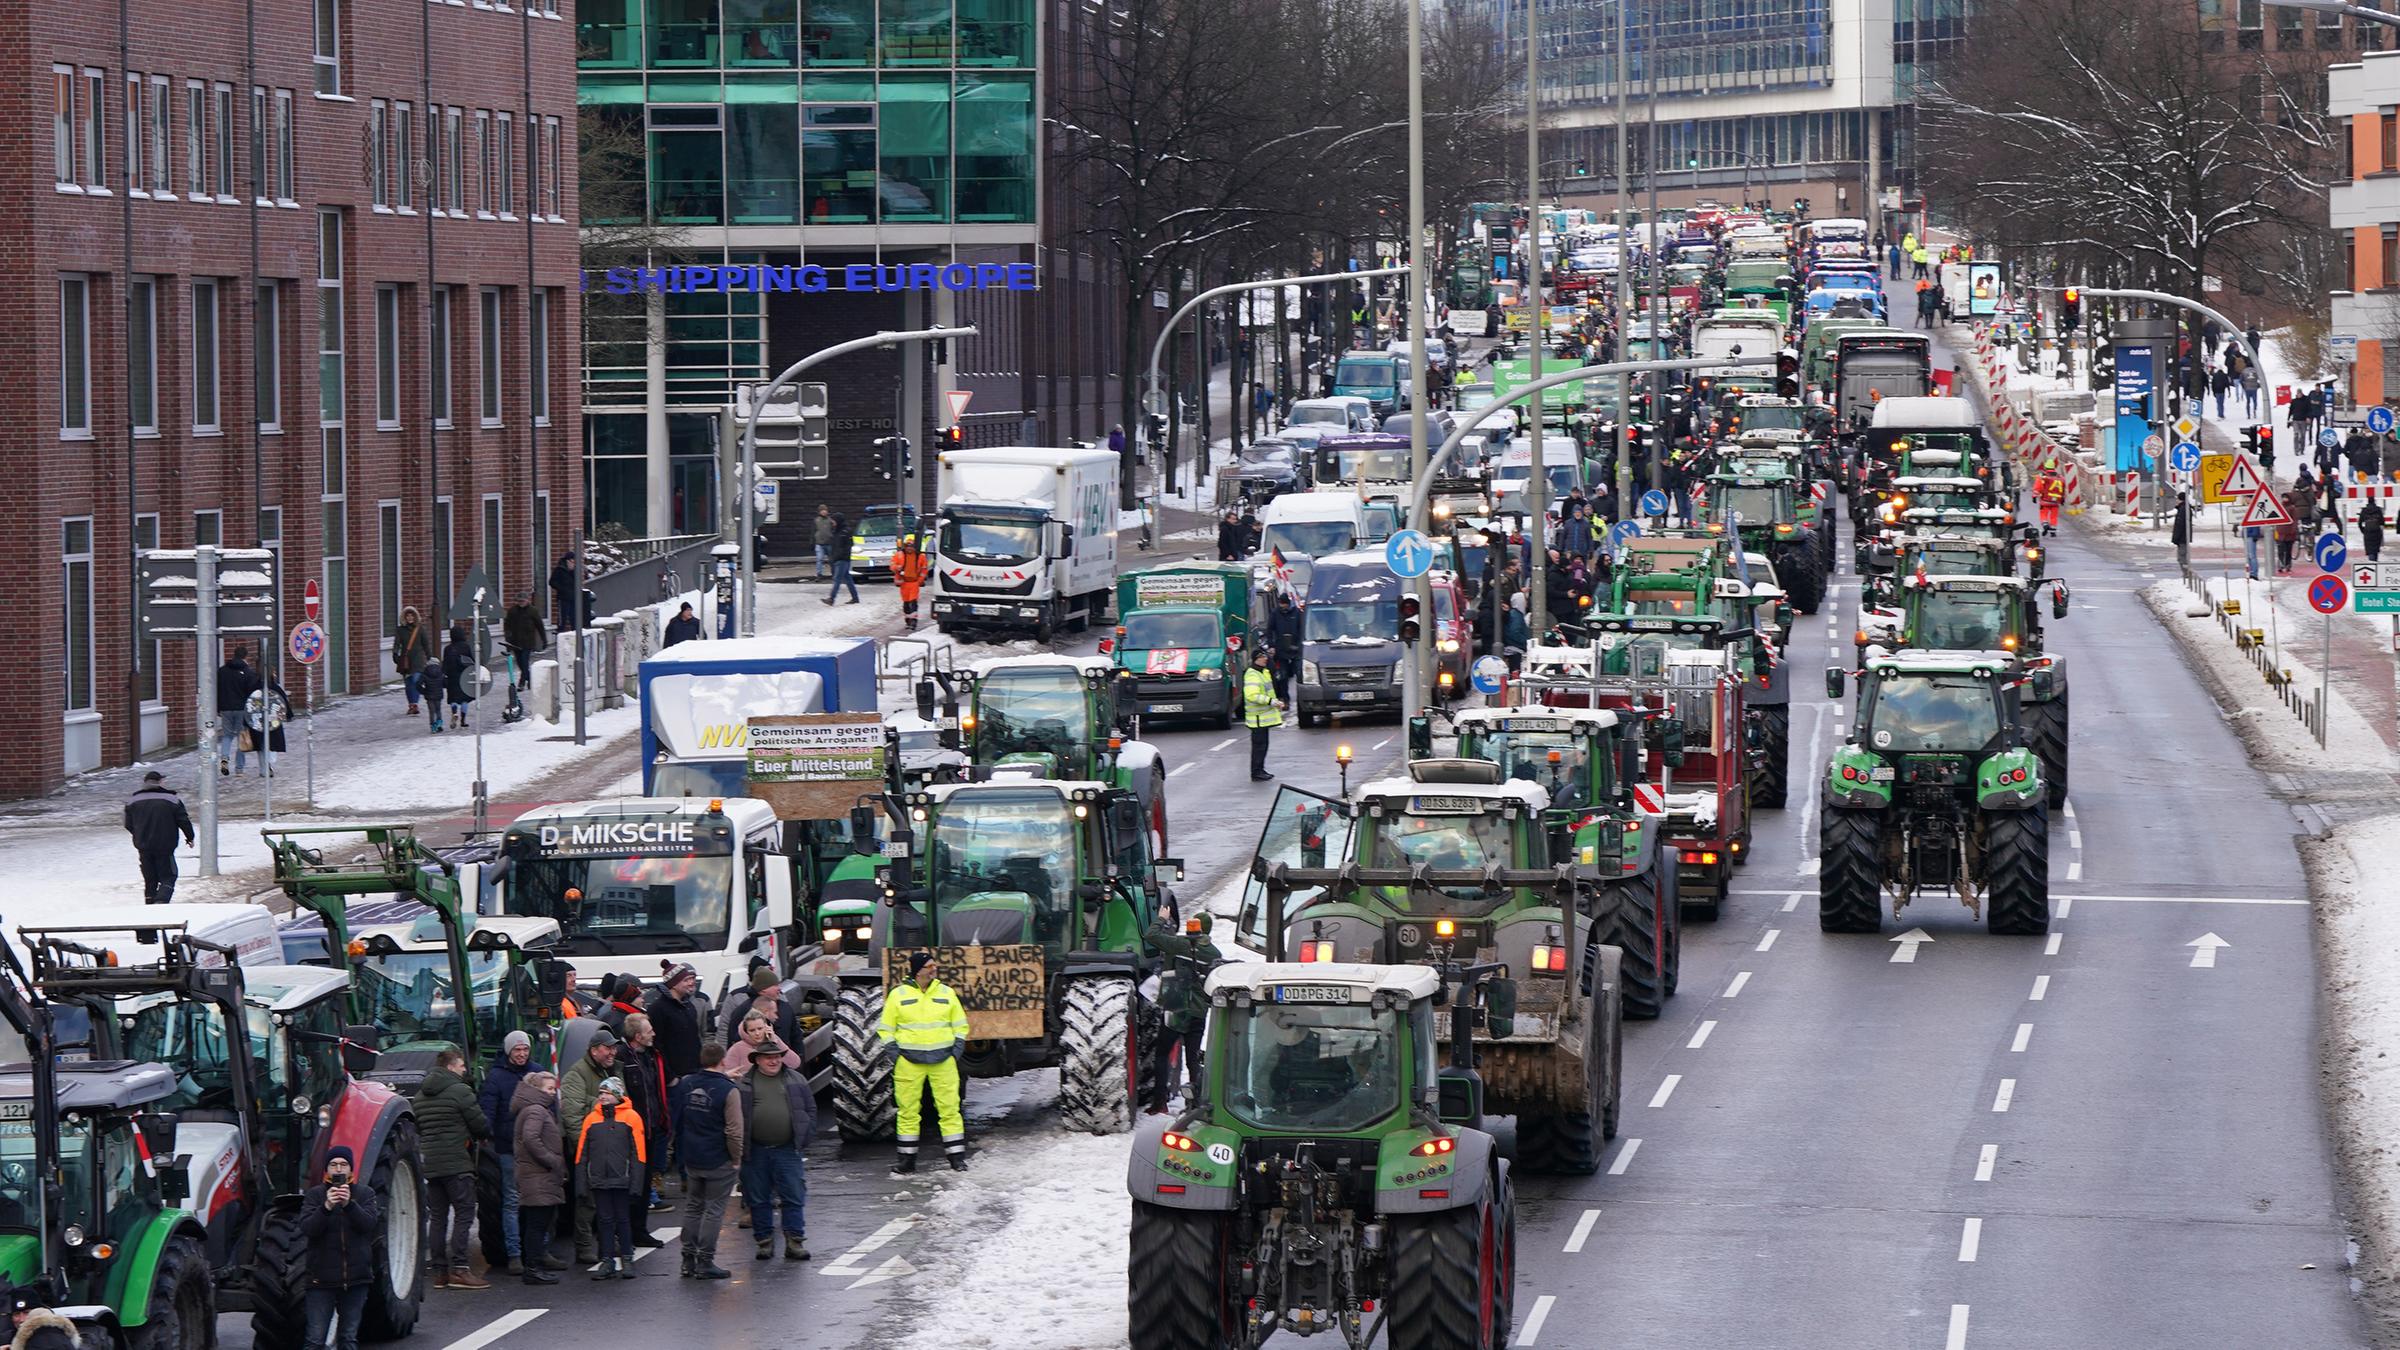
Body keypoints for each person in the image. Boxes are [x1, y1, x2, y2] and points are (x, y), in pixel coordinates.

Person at [878, 953, 970, 1173]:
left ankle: (957, 1158)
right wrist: (896, 1055)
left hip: (943, 1061)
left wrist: (955, 1052)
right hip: (909, 1062)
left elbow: (960, 1025)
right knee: (908, 1111)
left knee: (950, 1109)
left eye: (934, 964)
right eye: (929, 965)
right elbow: (886, 1028)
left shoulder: (947, 993)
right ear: (918, 969)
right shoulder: (897, 995)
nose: (934, 968)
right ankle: (906, 1161)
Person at [670, 1040, 745, 1280]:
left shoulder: (687, 1083)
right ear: (722, 1061)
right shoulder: (728, 1091)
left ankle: (687, 1259)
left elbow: (679, 1118)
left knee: (693, 1207)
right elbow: (734, 1130)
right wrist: (736, 1158)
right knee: (713, 1211)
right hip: (718, 1158)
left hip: (692, 1157)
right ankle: (705, 1260)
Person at [417, 1048, 491, 1289]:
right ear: (450, 1066)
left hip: (432, 1165)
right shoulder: (461, 1091)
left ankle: (440, 1272)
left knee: (438, 1218)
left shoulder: (420, 1096)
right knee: (464, 1214)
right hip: (458, 1163)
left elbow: (419, 1127)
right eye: (461, 1066)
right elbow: (479, 1124)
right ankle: (460, 1269)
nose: (464, 1070)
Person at [737, 1040, 816, 1262]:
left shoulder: (796, 1079)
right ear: (758, 1060)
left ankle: (795, 1242)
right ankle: (764, 1243)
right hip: (756, 1151)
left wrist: (804, 1135)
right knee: (758, 1198)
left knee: (794, 1196)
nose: (774, 1061)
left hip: (788, 1149)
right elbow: (735, 1115)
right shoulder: (745, 1083)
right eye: (768, 1057)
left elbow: (810, 1108)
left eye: (777, 1056)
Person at [299, 1147, 381, 1350]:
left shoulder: (365, 1194)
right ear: (327, 1169)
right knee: (314, 1340)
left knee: (348, 1338)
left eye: (343, 1164)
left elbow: (369, 1225)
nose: (338, 1169)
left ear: (351, 1169)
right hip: (321, 1281)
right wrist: (326, 1207)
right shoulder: (315, 1195)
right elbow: (308, 1228)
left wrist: (349, 1204)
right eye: (333, 1165)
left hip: (356, 1279)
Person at [1144, 912, 1223, 1114]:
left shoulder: (1178, 944)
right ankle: (1195, 1104)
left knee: (1162, 1054)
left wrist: (1161, 918)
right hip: (1198, 1012)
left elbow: (1150, 935)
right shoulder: (1214, 954)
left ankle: (1160, 1103)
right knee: (1193, 1059)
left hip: (1175, 1009)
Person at [559, 1027, 621, 1265]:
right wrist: (582, 1150)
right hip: (591, 1147)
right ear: (594, 1050)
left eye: (614, 1047)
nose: (612, 1052)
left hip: (613, 1145)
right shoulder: (577, 1074)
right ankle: (584, 1247)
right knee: (588, 1201)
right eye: (608, 1048)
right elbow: (572, 1116)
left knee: (612, 1196)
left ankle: (609, 1241)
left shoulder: (613, 1070)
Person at [477, 1032, 535, 1275]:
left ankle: (538, 1251)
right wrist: (487, 1136)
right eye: (517, 1050)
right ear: (508, 1052)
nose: (521, 1054)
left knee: (537, 1199)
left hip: (533, 1148)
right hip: (508, 1148)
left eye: (525, 1049)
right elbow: (487, 1112)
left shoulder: (537, 1073)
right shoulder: (496, 1078)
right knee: (511, 1201)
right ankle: (514, 1254)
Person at [576, 1079, 645, 1280]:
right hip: (598, 1178)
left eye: (607, 1092)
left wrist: (636, 1183)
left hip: (621, 1178)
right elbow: (582, 1153)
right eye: (601, 1093)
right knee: (604, 1220)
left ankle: (627, 1259)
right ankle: (607, 1260)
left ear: (617, 1094)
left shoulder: (632, 1117)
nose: (603, 1096)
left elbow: (638, 1153)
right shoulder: (591, 1119)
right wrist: (581, 1183)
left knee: (623, 1219)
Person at [617, 1014, 671, 1237]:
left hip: (650, 1129)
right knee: (633, 1184)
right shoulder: (623, 1059)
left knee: (645, 1181)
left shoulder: (649, 1056)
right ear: (638, 1036)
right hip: (632, 1132)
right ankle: (629, 1232)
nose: (654, 1034)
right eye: (649, 1031)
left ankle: (639, 1230)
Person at [510, 1071, 566, 1285]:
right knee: (537, 1224)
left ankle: (532, 1267)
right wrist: (552, 1160)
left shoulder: (533, 1109)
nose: (553, 1093)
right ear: (536, 1090)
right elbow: (531, 1138)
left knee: (534, 1223)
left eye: (553, 1089)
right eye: (549, 1089)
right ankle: (532, 1269)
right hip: (538, 1175)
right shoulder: (536, 1110)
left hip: (534, 1175)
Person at [123, 771, 193, 905]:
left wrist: (139, 834)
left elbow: (128, 824)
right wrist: (190, 837)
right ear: (160, 782)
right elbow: (183, 820)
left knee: (150, 880)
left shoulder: (132, 801)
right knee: (169, 876)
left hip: (143, 845)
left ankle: (149, 907)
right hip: (165, 845)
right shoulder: (172, 800)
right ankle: (161, 903)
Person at [646, 963, 707, 1084]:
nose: (691, 983)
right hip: (675, 1078)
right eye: (686, 980)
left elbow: (696, 1039)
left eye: (692, 979)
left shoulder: (689, 1006)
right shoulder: (658, 1009)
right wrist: (670, 1077)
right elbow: (657, 1046)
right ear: (673, 984)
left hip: (695, 1072)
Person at [1241, 645, 1283, 783]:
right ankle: (1256, 772)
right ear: (1256, 659)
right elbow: (1252, 695)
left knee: (1263, 745)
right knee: (1259, 746)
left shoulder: (1263, 672)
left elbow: (1269, 691)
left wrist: (1276, 702)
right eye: (1262, 657)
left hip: (1262, 718)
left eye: (1265, 656)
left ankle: (1260, 769)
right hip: (1257, 719)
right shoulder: (1252, 674)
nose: (1266, 659)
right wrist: (1271, 702)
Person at [215, 645, 260, 775]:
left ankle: (224, 758)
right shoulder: (248, 672)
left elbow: (218, 690)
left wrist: (219, 707)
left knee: (227, 736)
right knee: (242, 737)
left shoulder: (222, 671)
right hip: (242, 709)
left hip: (226, 708)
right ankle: (239, 769)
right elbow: (251, 692)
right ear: (246, 656)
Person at [722, 1008, 798, 1077]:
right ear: (746, 1031)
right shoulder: (736, 1049)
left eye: (760, 1028)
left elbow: (795, 1064)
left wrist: (776, 1041)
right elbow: (728, 1074)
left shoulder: (775, 1042)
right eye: (752, 1030)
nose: (757, 1033)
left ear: (766, 1027)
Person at [393, 607, 436, 714]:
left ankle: (415, 704)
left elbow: (426, 644)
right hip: (406, 661)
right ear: (404, 617)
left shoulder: (420, 629)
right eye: (407, 616)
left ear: (415, 617)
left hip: (418, 660)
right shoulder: (400, 630)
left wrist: (429, 657)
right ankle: (411, 704)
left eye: (412, 616)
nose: (410, 618)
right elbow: (397, 644)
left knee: (416, 681)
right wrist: (395, 654)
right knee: (408, 684)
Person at [503, 595, 548, 691]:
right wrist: (508, 640)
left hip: (528, 641)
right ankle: (530, 679)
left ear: (527, 601)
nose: (521, 603)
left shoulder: (532, 611)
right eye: (519, 601)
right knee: (520, 663)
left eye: (522, 601)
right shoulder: (512, 611)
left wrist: (544, 640)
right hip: (515, 641)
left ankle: (522, 682)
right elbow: (507, 626)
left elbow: (540, 626)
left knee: (524, 661)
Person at [438, 624, 477, 733]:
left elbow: (444, 664)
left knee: (453, 699)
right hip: (464, 676)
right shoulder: (466, 647)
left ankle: (454, 711)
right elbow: (471, 661)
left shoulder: (447, 649)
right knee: (464, 699)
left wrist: (443, 674)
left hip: (452, 677)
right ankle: (463, 720)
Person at [7, 1292, 77, 1350]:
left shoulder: (49, 1338)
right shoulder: (6, 1338)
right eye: (16, 1314)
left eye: (26, 1312)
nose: (21, 1319)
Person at [1266, 591, 1302, 702]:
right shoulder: (1275, 613)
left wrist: (1300, 644)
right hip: (1281, 650)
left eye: (1284, 604)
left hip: (1296, 650)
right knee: (1283, 676)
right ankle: (1285, 699)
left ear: (1288, 603)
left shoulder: (1297, 613)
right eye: (1281, 604)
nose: (1282, 606)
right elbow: (1270, 629)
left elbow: (1301, 629)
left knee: (1300, 675)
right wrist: (1272, 645)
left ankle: (1302, 697)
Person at [892, 536, 930, 633]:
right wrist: (897, 567)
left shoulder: (920, 557)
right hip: (903, 583)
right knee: (906, 603)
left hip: (914, 583)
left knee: (913, 602)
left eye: (911, 546)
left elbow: (924, 569)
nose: (909, 548)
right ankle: (908, 621)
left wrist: (920, 580)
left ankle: (913, 622)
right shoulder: (899, 555)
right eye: (907, 546)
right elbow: (892, 566)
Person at [823, 515, 861, 605]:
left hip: (842, 559)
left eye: (834, 521)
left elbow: (847, 546)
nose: (832, 523)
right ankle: (855, 598)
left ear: (838, 521)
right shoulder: (837, 531)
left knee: (837, 579)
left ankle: (831, 598)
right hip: (838, 558)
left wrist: (840, 555)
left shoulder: (845, 532)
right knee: (848, 579)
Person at [2033, 462, 2064, 536]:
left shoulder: (2042, 477)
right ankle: (2053, 530)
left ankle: (2045, 524)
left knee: (2043, 513)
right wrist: (2062, 498)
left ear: (2045, 467)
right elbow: (2063, 489)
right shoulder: (2059, 477)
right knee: (2054, 516)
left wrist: (2034, 496)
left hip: (2045, 500)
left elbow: (2038, 487)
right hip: (2056, 501)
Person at [2171, 490, 2192, 570]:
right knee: (2181, 557)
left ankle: (2186, 574)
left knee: (2182, 557)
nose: (2176, 500)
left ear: (2180, 499)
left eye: (2177, 499)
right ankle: (2186, 574)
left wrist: (2176, 538)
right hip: (2183, 538)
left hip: (2182, 538)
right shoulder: (2184, 508)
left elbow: (2180, 525)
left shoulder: (2183, 509)